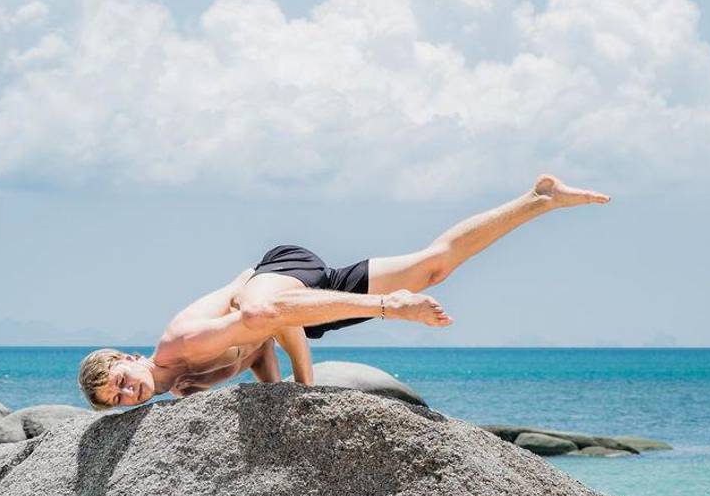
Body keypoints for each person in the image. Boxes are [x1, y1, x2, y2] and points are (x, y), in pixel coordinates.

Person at [79, 174, 609, 409]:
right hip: (305, 302)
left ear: (129, 357)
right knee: (432, 268)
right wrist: (279, 392)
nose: (129, 394)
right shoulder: (181, 386)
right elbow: (262, 347)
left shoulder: (181, 345)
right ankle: (539, 199)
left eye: (122, 381)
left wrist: (303, 390)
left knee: (257, 306)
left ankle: (391, 307)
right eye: (119, 399)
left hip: (278, 276)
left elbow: (263, 320)